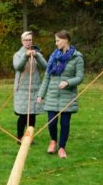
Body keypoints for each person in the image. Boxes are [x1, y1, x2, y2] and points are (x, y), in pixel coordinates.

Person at [37, 30, 85, 159]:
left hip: (67, 95)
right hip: (52, 94)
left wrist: (68, 82)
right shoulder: (54, 57)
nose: (56, 43)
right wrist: (41, 94)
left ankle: (62, 147)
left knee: (65, 124)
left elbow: (80, 77)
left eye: (58, 40)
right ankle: (53, 141)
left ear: (66, 40)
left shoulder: (77, 57)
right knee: (51, 123)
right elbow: (47, 77)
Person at [12, 31, 46, 142]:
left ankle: (29, 137)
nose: (28, 42)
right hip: (22, 89)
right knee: (23, 115)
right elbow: (18, 67)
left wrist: (37, 56)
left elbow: (46, 66)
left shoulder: (37, 54)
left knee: (32, 114)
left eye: (30, 40)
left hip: (35, 89)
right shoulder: (18, 55)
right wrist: (26, 57)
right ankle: (20, 137)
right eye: (26, 40)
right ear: (22, 41)